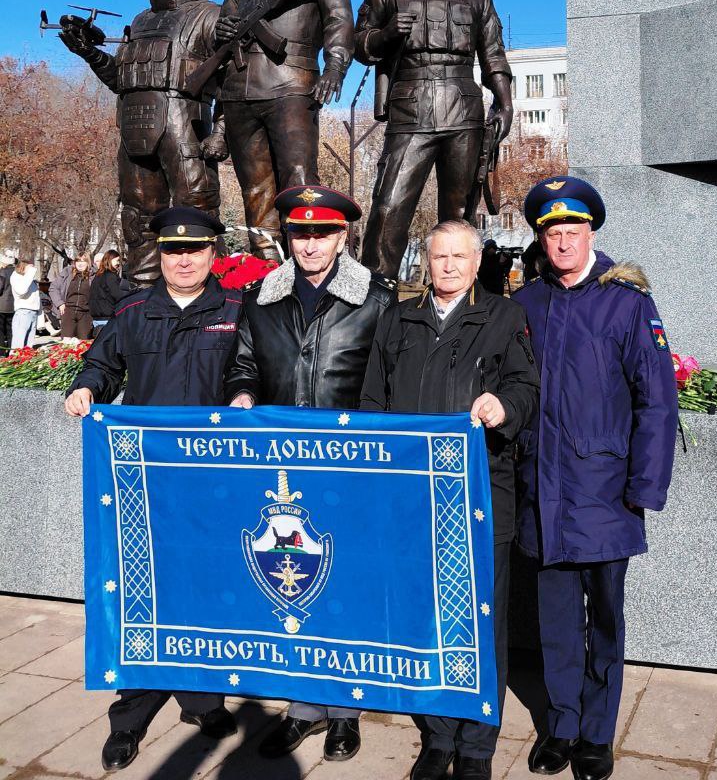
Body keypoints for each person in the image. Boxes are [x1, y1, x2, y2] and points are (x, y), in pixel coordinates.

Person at [65, 207, 243, 772]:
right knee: (141, 594)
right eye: (172, 250)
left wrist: (242, 395)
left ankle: (201, 699)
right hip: (145, 482)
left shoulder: (237, 311)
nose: (183, 259)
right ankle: (131, 713)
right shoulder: (134, 311)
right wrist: (86, 388)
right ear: (160, 255)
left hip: (213, 483)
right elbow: (102, 364)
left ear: (213, 253)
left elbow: (247, 369)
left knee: (207, 590)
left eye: (194, 250)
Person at [361, 219, 539, 780]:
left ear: (477, 258)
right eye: (440, 257)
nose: (450, 267)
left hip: (481, 495)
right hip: (411, 500)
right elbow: (372, 401)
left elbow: (527, 389)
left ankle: (478, 746)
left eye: (460, 257)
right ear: (427, 260)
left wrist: (502, 406)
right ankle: (437, 737)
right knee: (427, 618)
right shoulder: (399, 319)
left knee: (482, 622)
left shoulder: (504, 316)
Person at [513, 177, 678, 780]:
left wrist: (645, 487)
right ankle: (560, 726)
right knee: (556, 623)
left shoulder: (627, 304)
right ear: (541, 239)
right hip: (544, 492)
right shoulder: (525, 304)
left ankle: (596, 734)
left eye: (572, 230)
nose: (562, 241)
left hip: (605, 491)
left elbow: (656, 400)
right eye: (552, 232)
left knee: (605, 620)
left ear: (591, 233)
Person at [225, 183, 395, 764]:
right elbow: (244, 363)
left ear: (342, 236)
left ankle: (345, 710)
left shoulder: (376, 297)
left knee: (343, 582)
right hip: (280, 466)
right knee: (289, 582)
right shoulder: (261, 298)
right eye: (301, 232)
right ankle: (301, 706)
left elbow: (389, 377)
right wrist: (243, 394)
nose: (311, 243)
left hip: (348, 468)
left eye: (323, 232)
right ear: (288, 237)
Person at [354, 0, 514, 280]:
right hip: (411, 104)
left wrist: (505, 102)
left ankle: (458, 300)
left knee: (459, 216)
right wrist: (387, 33)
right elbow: (359, 44)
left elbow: (493, 54)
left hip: (464, 106)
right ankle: (375, 302)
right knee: (388, 207)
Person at [59, 0, 224, 285]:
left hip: (185, 126)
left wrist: (222, 130)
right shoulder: (141, 20)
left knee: (195, 212)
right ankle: (141, 298)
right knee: (137, 217)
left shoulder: (210, 16)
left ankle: (207, 296)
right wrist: (89, 52)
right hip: (134, 128)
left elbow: (236, 80)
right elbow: (121, 79)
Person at [215, 0, 354, 260]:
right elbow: (223, 33)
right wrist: (223, 29)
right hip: (241, 91)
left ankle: (307, 270)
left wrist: (336, 68)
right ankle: (264, 272)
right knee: (255, 191)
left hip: (293, 84)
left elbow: (339, 20)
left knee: (299, 183)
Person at [89, 250, 133, 331]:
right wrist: (133, 292)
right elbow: (118, 294)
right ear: (109, 260)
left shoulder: (98, 275)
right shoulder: (110, 276)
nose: (118, 264)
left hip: (97, 318)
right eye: (117, 260)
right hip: (107, 317)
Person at [61, 253, 94, 339]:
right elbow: (53, 288)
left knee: (84, 343)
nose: (80, 263)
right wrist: (60, 303)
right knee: (66, 343)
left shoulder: (94, 276)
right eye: (78, 261)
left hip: (85, 313)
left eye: (83, 261)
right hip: (68, 311)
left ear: (88, 263)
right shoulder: (68, 272)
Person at [10, 259, 41, 349]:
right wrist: (30, 273)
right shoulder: (16, 276)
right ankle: (15, 360)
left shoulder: (29, 279)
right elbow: (21, 291)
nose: (33, 269)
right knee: (18, 343)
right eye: (30, 267)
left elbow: (36, 297)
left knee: (29, 344)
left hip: (33, 311)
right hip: (23, 312)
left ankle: (25, 359)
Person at [0, 251, 15, 353]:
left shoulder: (2, 272)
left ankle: (1, 351)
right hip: (14, 305)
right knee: (11, 330)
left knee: (0, 330)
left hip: (2, 306)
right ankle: (10, 350)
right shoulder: (16, 272)